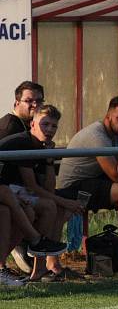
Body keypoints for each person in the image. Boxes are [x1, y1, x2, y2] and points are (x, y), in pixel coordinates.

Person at [0, 105, 82, 281]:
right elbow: (33, 186)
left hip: (12, 190)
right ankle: (35, 245)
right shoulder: (23, 143)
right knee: (48, 206)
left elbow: (48, 188)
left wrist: (49, 159)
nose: (50, 130)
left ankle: (40, 268)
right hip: (7, 189)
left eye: (54, 126)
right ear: (32, 124)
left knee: (49, 208)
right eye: (45, 124)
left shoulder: (41, 146)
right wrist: (65, 202)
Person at [56, 96, 118, 238]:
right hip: (73, 188)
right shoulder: (97, 136)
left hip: (94, 179)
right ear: (108, 116)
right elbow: (116, 175)